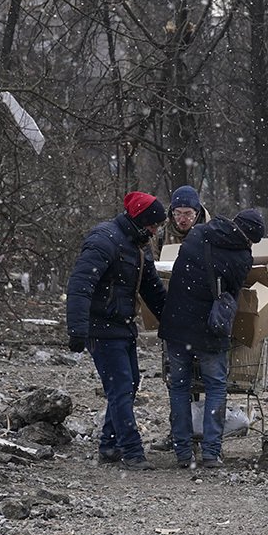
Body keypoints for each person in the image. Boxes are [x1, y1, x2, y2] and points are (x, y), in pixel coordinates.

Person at [65, 192, 168, 471]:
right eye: (153, 225)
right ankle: (131, 451)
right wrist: (77, 328)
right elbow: (80, 284)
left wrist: (171, 323)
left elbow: (152, 290)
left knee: (129, 382)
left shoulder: (138, 245)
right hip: (101, 327)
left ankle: (109, 445)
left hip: (122, 325)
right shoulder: (104, 240)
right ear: (142, 221)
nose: (156, 231)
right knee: (121, 386)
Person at [159, 208, 264, 469]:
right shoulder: (241, 257)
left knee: (180, 387)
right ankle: (210, 452)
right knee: (216, 386)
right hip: (209, 330)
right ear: (249, 237)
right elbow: (232, 294)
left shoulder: (196, 234)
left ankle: (183, 452)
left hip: (176, 325)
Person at [155, 185, 210, 258]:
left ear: (197, 213)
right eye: (178, 214)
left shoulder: (210, 234)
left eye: (188, 214)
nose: (182, 219)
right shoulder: (160, 234)